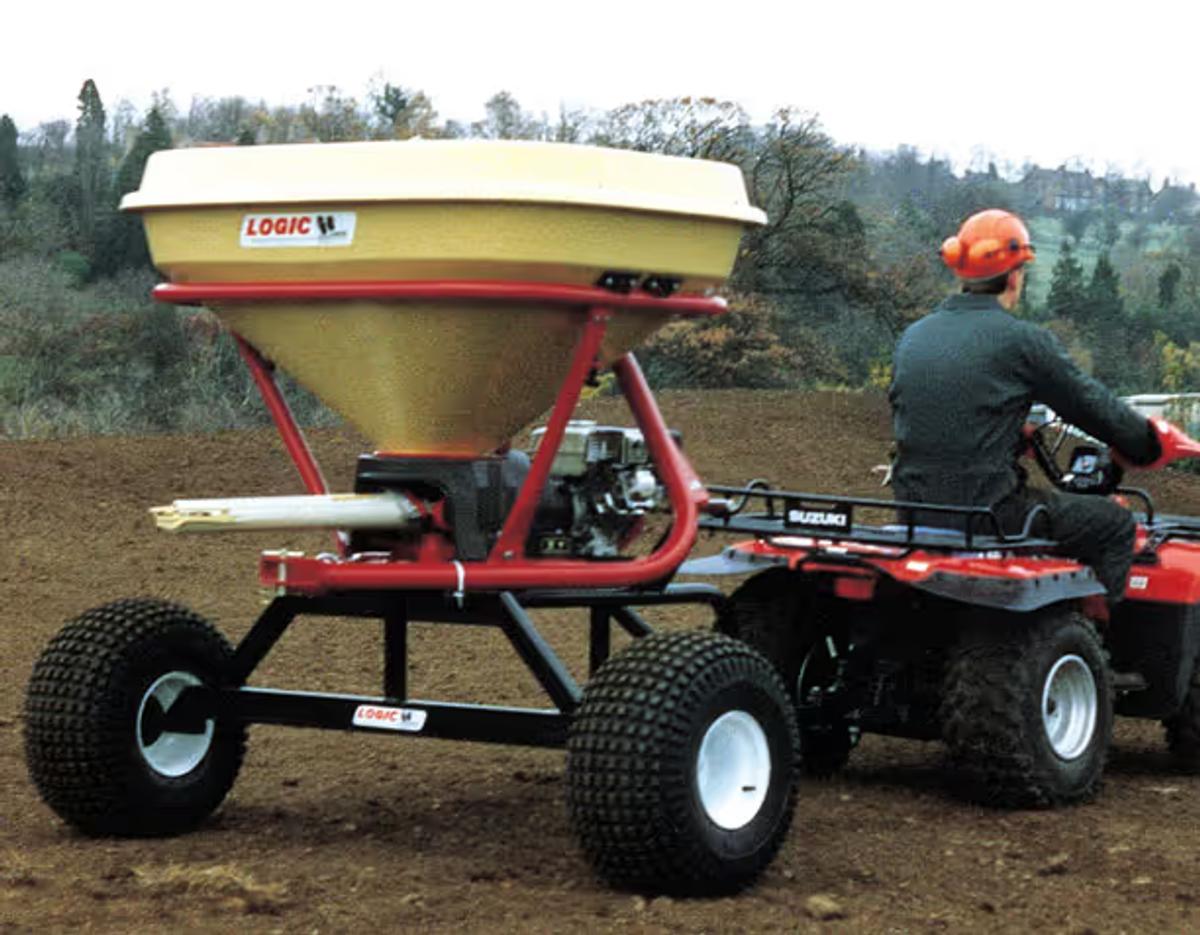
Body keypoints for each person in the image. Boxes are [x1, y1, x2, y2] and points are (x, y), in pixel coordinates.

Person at [888, 208, 1160, 604]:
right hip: (992, 512)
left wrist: (1006, 434)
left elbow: (925, 410)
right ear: (1015, 275)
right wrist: (1146, 443)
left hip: (913, 510)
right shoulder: (1021, 341)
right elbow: (1090, 405)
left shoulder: (914, 336)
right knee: (1115, 523)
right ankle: (1098, 654)